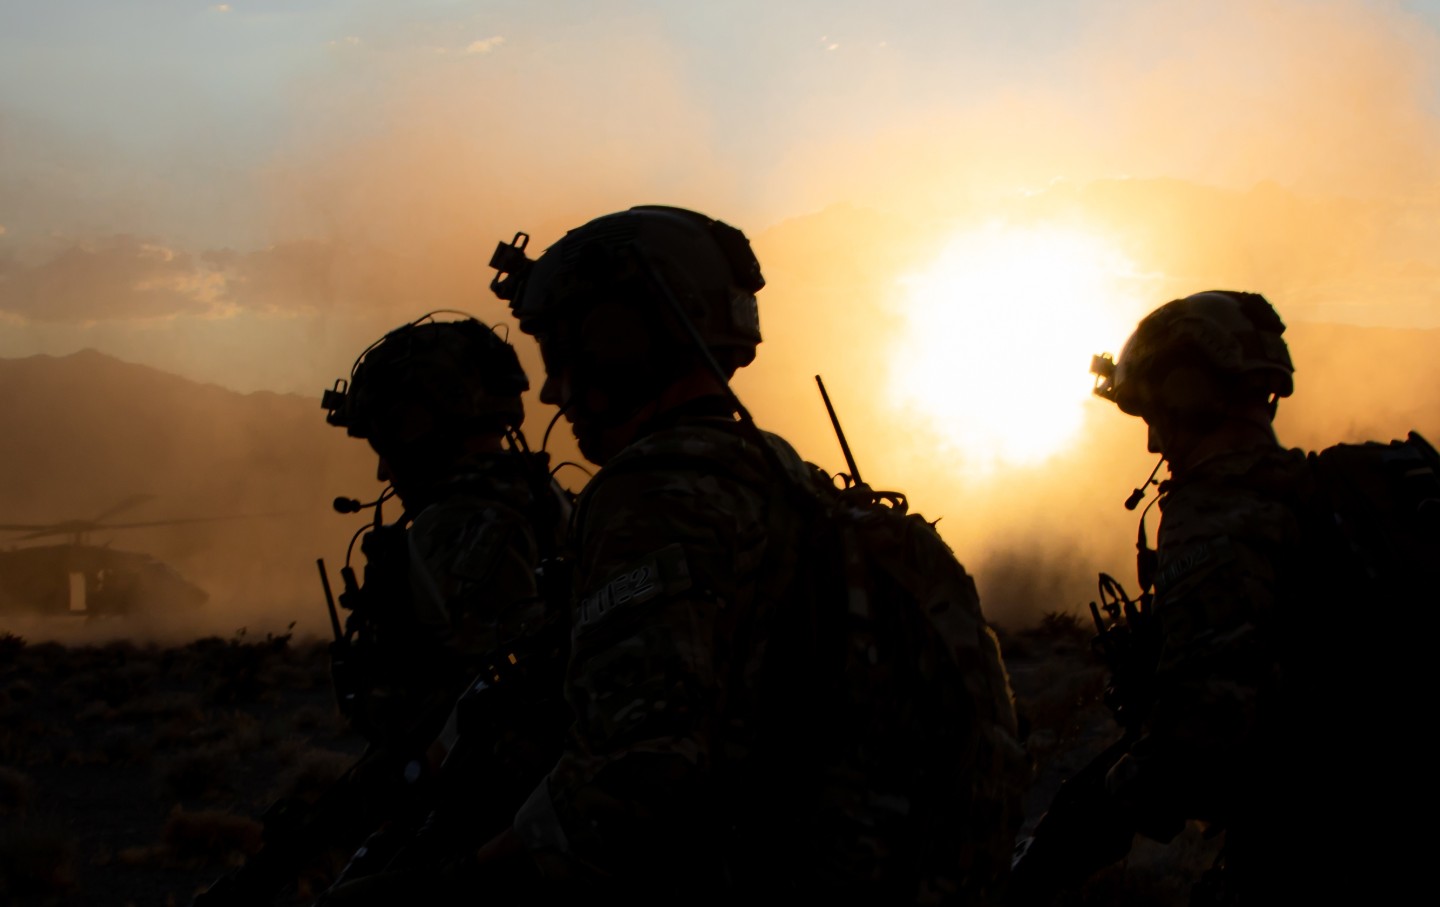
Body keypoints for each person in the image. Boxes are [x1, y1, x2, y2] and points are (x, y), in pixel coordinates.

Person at [471, 205, 1024, 904]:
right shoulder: (794, 483)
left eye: (560, 354)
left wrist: (461, 879)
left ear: (617, 339)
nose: (552, 389)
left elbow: (634, 787)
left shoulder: (654, 493)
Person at [1016, 290, 1431, 904]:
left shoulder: (1217, 512)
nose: (1155, 443)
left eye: (1156, 415)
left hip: (1325, 843)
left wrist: (1085, 823)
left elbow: (1203, 727)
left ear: (1187, 393)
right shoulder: (1307, 493)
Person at [200, 315, 572, 905]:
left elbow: (458, 720)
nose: (382, 471)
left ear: (416, 427)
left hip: (482, 822)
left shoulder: (458, 529)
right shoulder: (548, 503)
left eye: (385, 442)